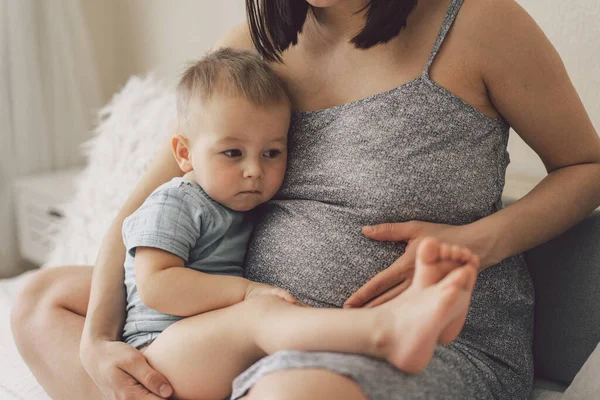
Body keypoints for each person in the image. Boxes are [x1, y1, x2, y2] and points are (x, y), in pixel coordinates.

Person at [10, 0, 600, 399]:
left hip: (429, 338)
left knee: (294, 390)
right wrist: (97, 346)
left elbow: (587, 166)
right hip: (235, 317)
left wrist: (476, 241)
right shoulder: (253, 46)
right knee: (42, 301)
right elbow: (140, 212)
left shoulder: (478, 23)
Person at [120, 48, 480, 400]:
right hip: (161, 352)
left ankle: (429, 323)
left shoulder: (237, 206)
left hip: (214, 350)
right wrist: (245, 292)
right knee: (259, 315)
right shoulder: (175, 202)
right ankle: (387, 332)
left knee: (268, 326)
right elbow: (155, 284)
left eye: (271, 153)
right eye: (232, 153)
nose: (254, 170)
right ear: (184, 154)